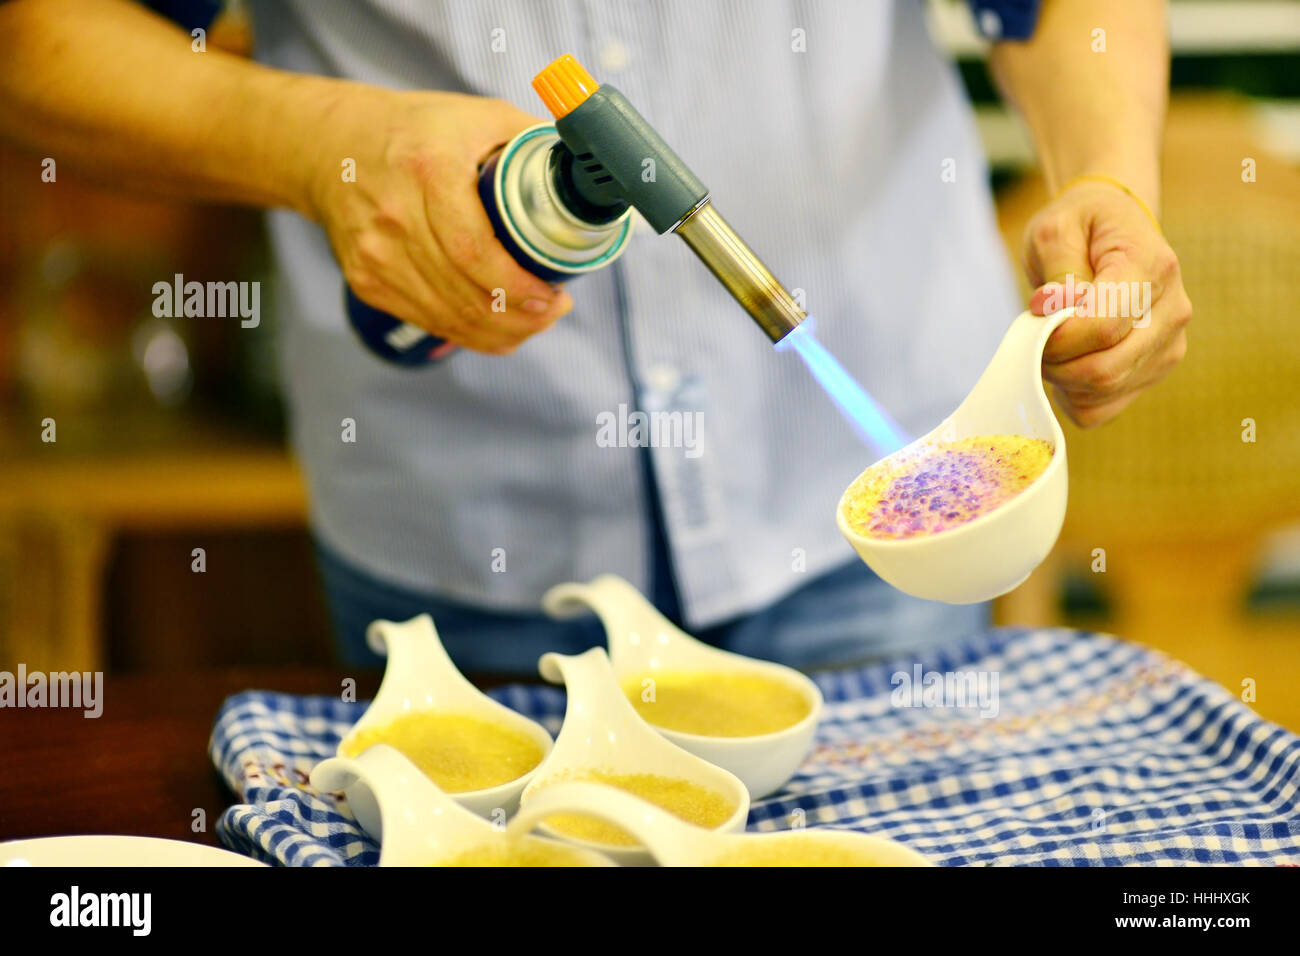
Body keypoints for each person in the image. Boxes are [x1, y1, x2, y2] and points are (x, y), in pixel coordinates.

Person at [0, 0, 1191, 673]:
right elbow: (41, 44)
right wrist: (320, 146)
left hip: (857, 536)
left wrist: (1109, 180)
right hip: (473, 524)